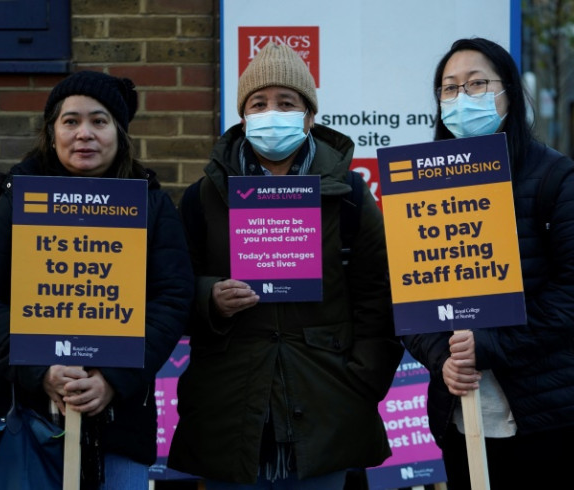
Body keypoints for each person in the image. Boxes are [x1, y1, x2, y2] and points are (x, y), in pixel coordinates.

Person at [168, 42, 404, 489]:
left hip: (327, 406)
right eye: (259, 103)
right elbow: (172, 288)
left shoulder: (349, 195)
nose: (271, 112)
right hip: (229, 410)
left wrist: (361, 382)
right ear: (243, 115)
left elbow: (379, 296)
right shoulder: (203, 197)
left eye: (286, 103)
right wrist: (209, 297)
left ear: (309, 116)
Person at [0, 71, 195, 490]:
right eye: (70, 121)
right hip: (26, 423)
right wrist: (40, 371)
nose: (84, 133)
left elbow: (172, 300)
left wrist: (112, 379)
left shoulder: (153, 207)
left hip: (121, 424)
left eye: (99, 121)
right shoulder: (19, 202)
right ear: (51, 134)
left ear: (119, 134)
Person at [402, 38, 574, 490]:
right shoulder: (424, 184)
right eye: (450, 89)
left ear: (509, 94)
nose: (462, 98)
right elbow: (408, 294)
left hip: (551, 412)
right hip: (461, 413)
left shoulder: (556, 177)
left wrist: (491, 344)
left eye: (477, 84)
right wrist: (444, 359)